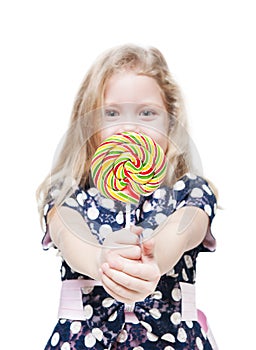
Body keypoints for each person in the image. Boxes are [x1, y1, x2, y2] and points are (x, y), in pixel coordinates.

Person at [37, 44, 218, 350]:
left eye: (148, 113)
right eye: (111, 113)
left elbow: (184, 230)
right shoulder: (68, 192)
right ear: (89, 124)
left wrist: (153, 258)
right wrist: (100, 259)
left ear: (170, 122)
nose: (130, 125)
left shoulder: (190, 190)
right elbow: (69, 234)